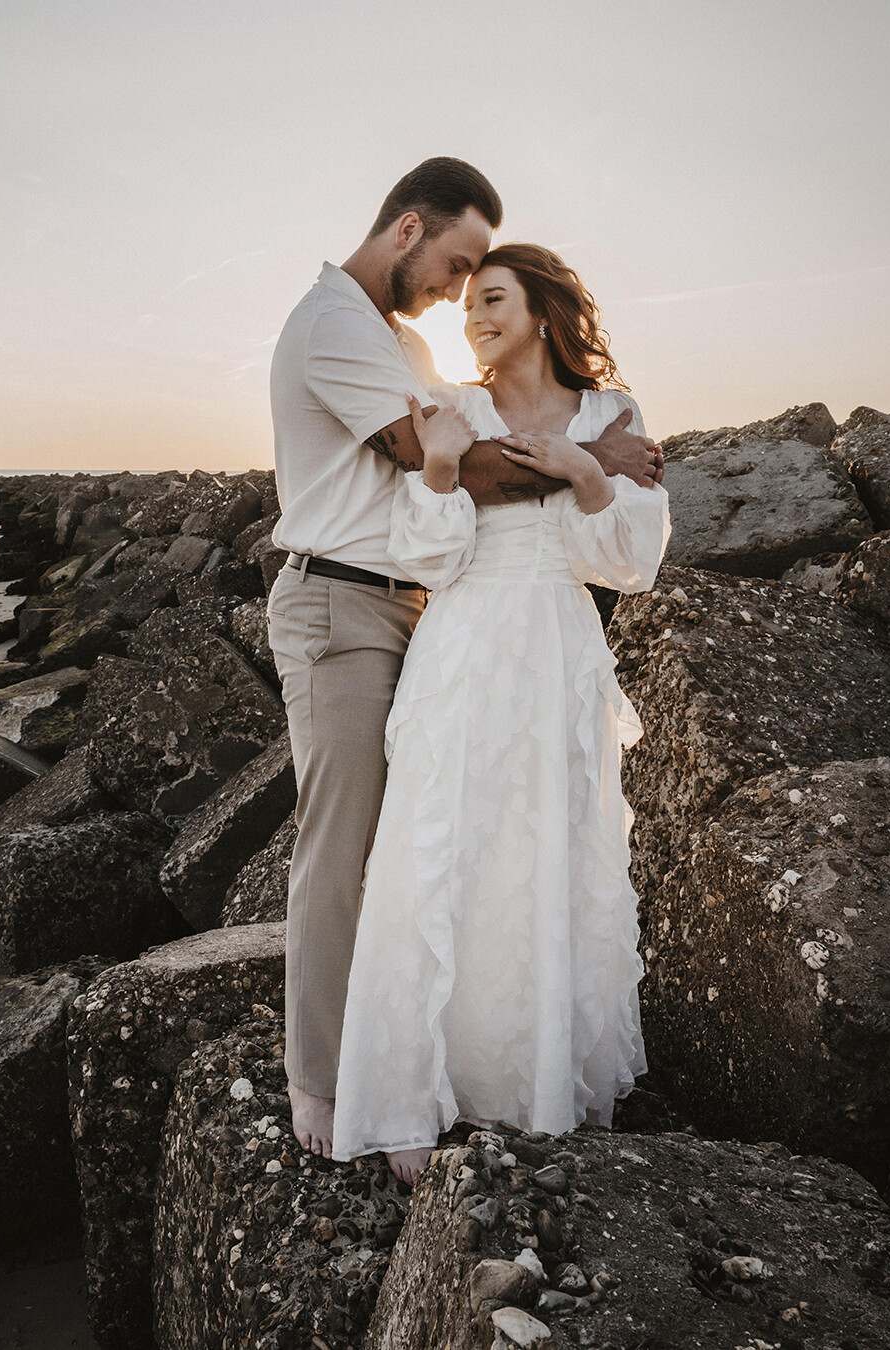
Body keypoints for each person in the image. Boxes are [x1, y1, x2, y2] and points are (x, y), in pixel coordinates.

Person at [267, 161, 663, 1159]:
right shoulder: (334, 325)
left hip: (422, 608)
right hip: (344, 598)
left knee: (490, 844)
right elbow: (427, 460)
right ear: (407, 229)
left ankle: (504, 1059)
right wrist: (590, 465)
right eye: (456, 269)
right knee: (355, 842)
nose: (458, 298)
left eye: (485, 286)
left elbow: (600, 540)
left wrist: (593, 461)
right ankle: (325, 1080)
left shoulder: (403, 341)